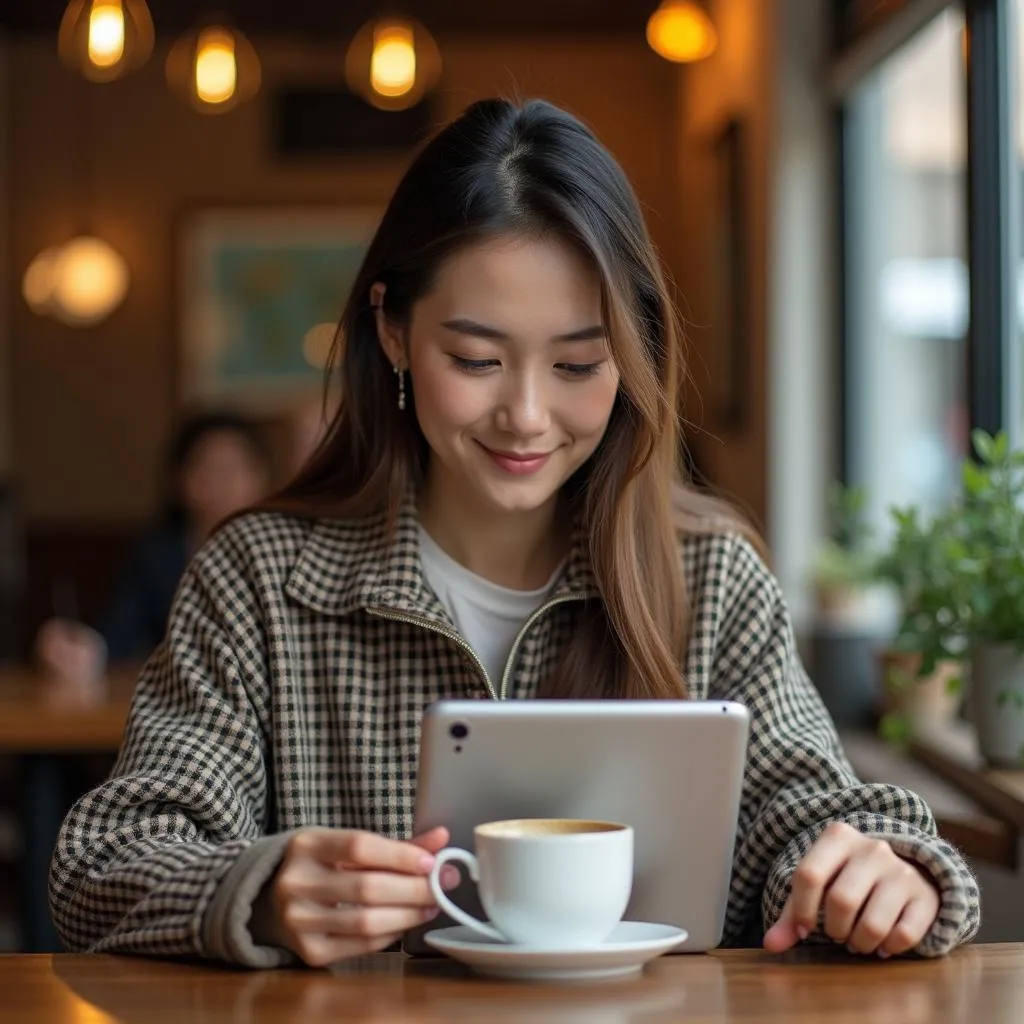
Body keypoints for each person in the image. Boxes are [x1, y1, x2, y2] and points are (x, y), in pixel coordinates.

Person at [50, 98, 980, 968]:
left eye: (579, 363)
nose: (528, 416)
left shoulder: (708, 575)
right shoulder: (261, 579)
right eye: (477, 359)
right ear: (393, 333)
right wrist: (251, 893)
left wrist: (880, 873)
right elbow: (104, 865)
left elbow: (809, 812)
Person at [35, 411, 272, 685]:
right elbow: (117, 634)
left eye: (233, 469)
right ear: (182, 481)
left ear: (260, 477)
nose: (222, 484)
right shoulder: (156, 555)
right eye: (209, 469)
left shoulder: (279, 551)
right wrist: (80, 651)